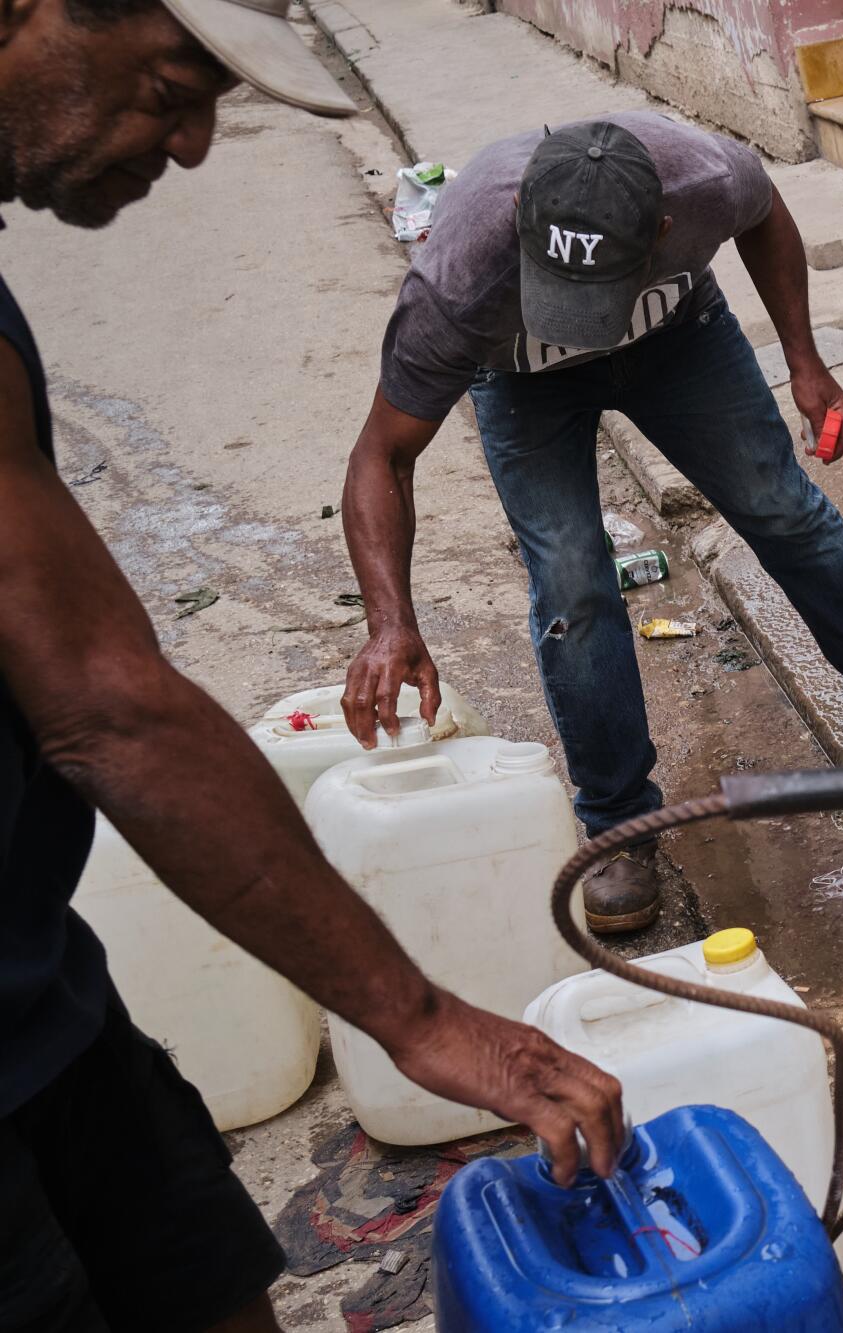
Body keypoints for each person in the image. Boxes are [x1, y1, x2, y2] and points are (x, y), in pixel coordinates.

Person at [0, 4, 624, 1330]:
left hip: (36, 982)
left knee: (212, 1278)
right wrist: (426, 1017)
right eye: (172, 86)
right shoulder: (457, 278)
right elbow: (109, 708)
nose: (191, 141)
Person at [340, 113, 843, 937]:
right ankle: (619, 827)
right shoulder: (461, 274)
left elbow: (768, 218)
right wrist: (391, 624)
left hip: (680, 339)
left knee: (781, 507)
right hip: (521, 383)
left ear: (665, 232)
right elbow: (380, 455)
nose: (581, 325)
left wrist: (806, 361)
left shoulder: (710, 178)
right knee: (572, 581)